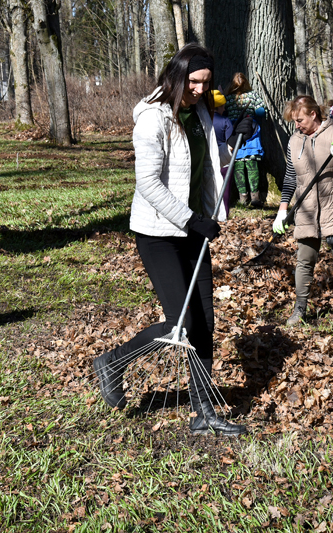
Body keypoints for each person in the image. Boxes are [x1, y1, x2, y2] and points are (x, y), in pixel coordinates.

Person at [92, 43, 253, 437]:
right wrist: (191, 219)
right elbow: (147, 183)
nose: (200, 89)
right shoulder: (153, 119)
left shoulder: (198, 113)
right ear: (177, 76)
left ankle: (203, 414)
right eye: (194, 81)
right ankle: (113, 362)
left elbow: (208, 163)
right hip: (159, 233)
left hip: (193, 229)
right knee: (179, 324)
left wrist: (237, 141)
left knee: (205, 324)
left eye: (206, 82)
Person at [272, 95, 333, 331]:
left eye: (300, 120)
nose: (297, 125)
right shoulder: (294, 141)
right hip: (306, 209)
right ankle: (299, 309)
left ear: (314, 114)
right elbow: (291, 177)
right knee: (304, 261)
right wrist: (282, 211)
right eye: (294, 121)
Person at [225, 73, 267, 207]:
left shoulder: (228, 98)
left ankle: (243, 197)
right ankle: (255, 197)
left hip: (234, 133)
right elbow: (261, 112)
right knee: (252, 165)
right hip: (251, 133)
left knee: (238, 166)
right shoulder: (253, 95)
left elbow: (223, 113)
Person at [211, 89, 235, 218]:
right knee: (224, 189)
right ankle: (224, 214)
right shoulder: (226, 121)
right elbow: (230, 143)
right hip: (224, 159)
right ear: (220, 106)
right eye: (223, 106)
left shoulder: (205, 120)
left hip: (208, 158)